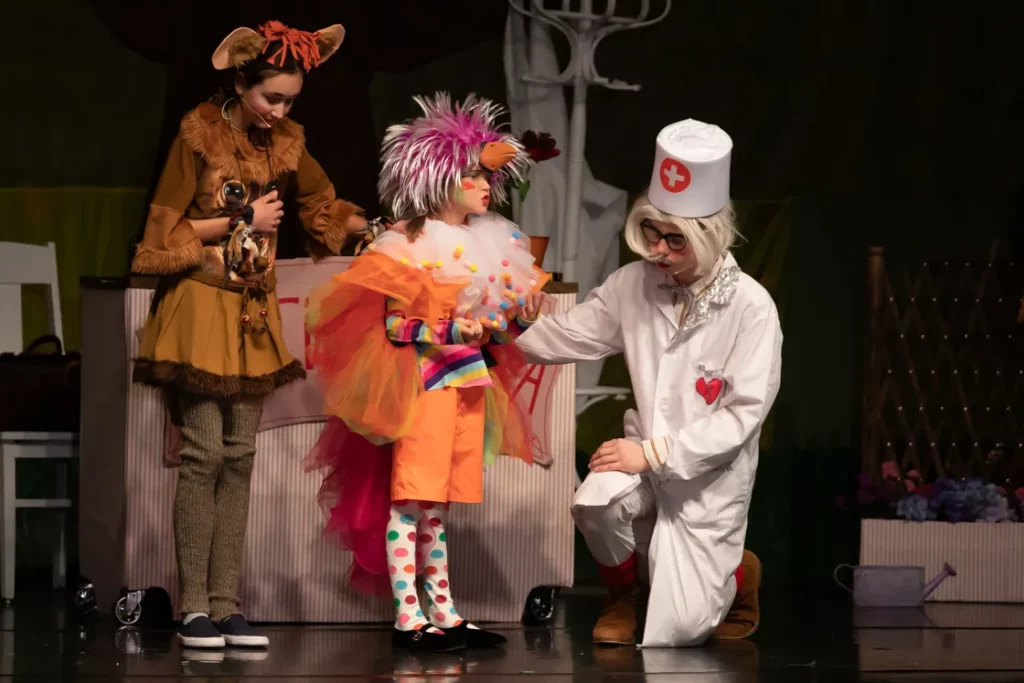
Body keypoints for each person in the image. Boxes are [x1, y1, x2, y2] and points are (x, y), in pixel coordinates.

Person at [130, 20, 368, 649]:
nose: (279, 112)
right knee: (204, 455)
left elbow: (320, 206)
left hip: (251, 310)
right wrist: (241, 218)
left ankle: (226, 605)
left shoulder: (285, 142)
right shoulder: (199, 135)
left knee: (240, 459)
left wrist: (368, 229)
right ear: (240, 83)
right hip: (201, 305)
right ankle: (194, 608)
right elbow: (163, 232)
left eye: (289, 101)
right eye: (271, 98)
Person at [515, 119, 782, 647]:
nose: (659, 249)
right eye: (652, 233)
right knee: (595, 501)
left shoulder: (752, 307)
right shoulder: (633, 284)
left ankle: (739, 574)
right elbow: (572, 334)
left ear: (710, 234)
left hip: (707, 479)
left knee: (682, 630)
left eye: (675, 239)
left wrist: (654, 454)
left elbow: (743, 416)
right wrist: (519, 320)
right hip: (644, 457)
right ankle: (623, 594)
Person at [304, 92, 549, 653]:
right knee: (410, 500)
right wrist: (451, 330)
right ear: (438, 180)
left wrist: (518, 322)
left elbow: (492, 335)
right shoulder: (408, 246)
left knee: (436, 505)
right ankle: (408, 617)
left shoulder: (490, 243)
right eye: (472, 175)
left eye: (486, 177)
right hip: (425, 389)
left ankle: (443, 611)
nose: (485, 186)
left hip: (466, 385)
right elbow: (397, 327)